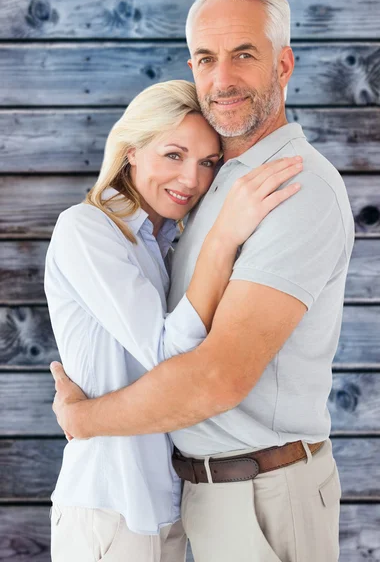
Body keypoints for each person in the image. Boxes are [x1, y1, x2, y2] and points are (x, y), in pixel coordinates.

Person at [50, 0, 355, 562]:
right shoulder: (212, 188)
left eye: (245, 54)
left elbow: (217, 377)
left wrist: (84, 420)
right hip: (193, 494)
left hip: (264, 493)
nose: (222, 79)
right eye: (205, 58)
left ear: (284, 65)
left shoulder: (295, 187)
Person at [45, 78, 302, 562]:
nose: (191, 179)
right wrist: (223, 237)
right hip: (110, 507)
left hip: (168, 508)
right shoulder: (86, 230)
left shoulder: (162, 249)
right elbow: (170, 355)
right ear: (131, 151)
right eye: (173, 155)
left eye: (208, 163)